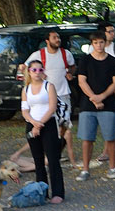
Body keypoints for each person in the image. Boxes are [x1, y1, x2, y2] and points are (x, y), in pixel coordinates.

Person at [22, 28, 77, 165]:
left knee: (64, 125)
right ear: (47, 41)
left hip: (63, 94)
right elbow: (23, 67)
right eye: (54, 38)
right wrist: (37, 76)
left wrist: (70, 73)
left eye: (58, 37)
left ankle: (56, 152)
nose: (57, 40)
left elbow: (72, 66)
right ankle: (49, 153)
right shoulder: (38, 54)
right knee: (49, 125)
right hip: (44, 96)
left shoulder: (66, 54)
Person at [75, 32, 115, 182]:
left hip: (108, 105)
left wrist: (101, 97)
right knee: (87, 139)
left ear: (105, 43)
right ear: (92, 44)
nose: (99, 45)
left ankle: (112, 168)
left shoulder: (113, 61)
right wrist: (94, 98)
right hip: (87, 106)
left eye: (101, 42)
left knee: (110, 137)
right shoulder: (85, 60)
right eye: (95, 43)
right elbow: (82, 81)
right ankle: (85, 169)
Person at [20, 59, 64, 203]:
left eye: (40, 70)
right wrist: (33, 123)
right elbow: (25, 110)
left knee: (52, 159)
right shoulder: (26, 89)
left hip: (48, 124)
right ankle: (42, 191)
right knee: (38, 160)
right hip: (32, 125)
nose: (37, 73)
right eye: (34, 70)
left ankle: (58, 192)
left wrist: (39, 125)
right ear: (29, 72)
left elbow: (52, 107)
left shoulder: (49, 86)